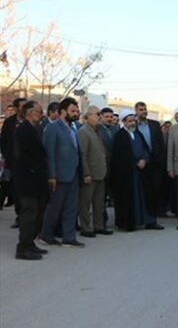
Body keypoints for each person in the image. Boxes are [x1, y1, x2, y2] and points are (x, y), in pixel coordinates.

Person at [38, 97, 84, 248]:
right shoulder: (53, 128)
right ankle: (46, 235)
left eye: (77, 111)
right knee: (55, 207)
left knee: (72, 207)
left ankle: (68, 237)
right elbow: (49, 153)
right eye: (73, 111)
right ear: (62, 112)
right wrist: (51, 175)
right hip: (59, 175)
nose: (76, 113)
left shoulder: (73, 128)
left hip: (74, 174)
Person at [111, 110, 164, 232]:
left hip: (143, 172)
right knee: (131, 198)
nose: (132, 123)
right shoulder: (120, 136)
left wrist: (144, 160)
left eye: (133, 120)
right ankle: (131, 222)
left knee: (146, 197)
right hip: (129, 174)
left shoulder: (138, 134)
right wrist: (135, 162)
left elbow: (146, 149)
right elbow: (121, 156)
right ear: (124, 122)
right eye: (129, 121)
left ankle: (149, 221)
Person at [14, 101, 49, 260]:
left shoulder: (35, 129)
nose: (41, 114)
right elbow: (20, 156)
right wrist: (33, 170)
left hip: (37, 180)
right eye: (38, 111)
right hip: (27, 180)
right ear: (30, 112)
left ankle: (30, 243)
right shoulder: (22, 130)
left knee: (37, 213)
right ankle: (23, 247)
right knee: (29, 213)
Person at [77, 106, 109, 238]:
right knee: (85, 202)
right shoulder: (83, 132)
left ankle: (98, 225)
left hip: (100, 172)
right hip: (90, 173)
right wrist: (86, 173)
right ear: (87, 116)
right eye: (97, 114)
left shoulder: (97, 131)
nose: (99, 117)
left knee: (99, 202)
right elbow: (83, 154)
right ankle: (86, 227)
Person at [135, 101, 166, 217]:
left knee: (156, 187)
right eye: (141, 110)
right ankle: (145, 213)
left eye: (145, 109)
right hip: (141, 162)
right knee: (143, 188)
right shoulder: (134, 125)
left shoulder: (155, 124)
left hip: (155, 161)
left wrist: (161, 159)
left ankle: (156, 212)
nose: (144, 111)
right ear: (136, 111)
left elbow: (160, 143)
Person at [1, 97, 27, 227]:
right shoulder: (9, 123)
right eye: (22, 106)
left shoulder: (31, 122)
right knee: (16, 192)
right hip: (14, 164)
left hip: (28, 165)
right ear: (17, 108)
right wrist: (8, 157)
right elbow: (4, 142)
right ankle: (19, 217)